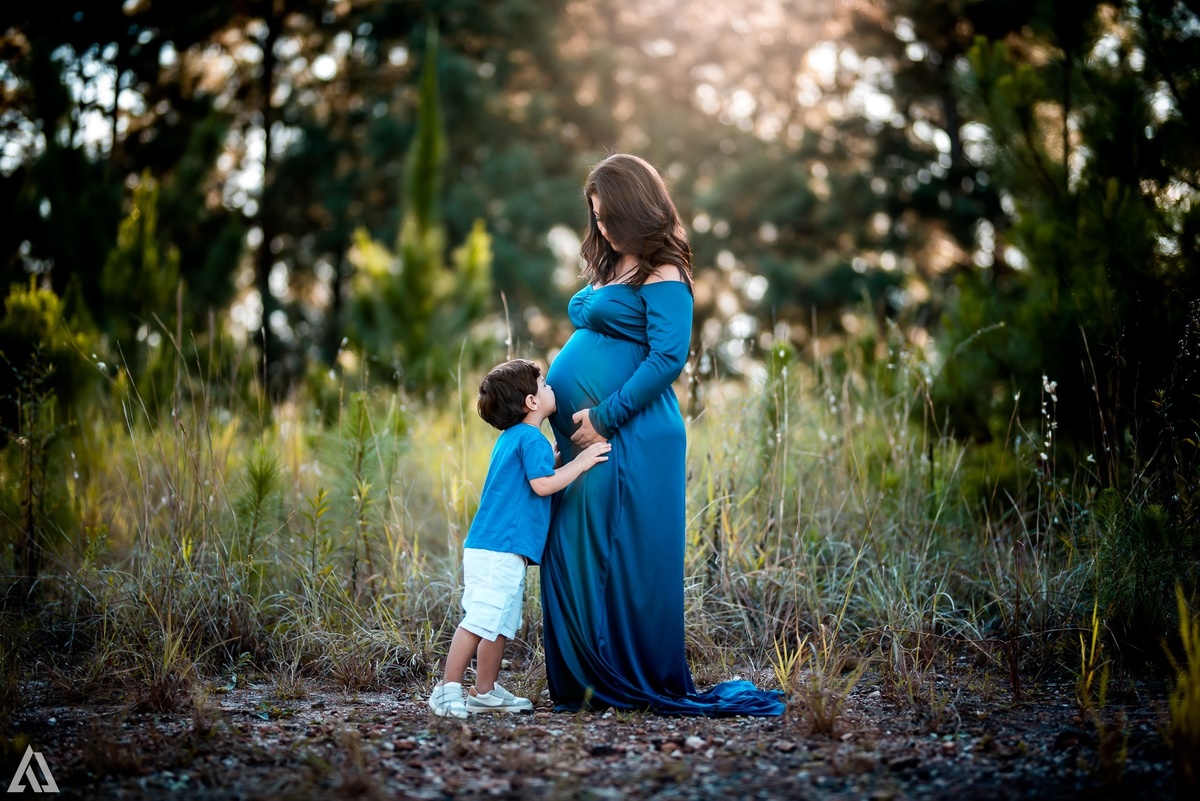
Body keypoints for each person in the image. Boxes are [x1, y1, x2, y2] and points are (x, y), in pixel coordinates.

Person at [541, 153, 784, 715]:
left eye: (608, 215)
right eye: (595, 216)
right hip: (592, 437)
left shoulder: (665, 271)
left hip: (634, 434)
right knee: (573, 544)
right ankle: (584, 678)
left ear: (634, 208)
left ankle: (622, 675)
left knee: (625, 555)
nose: (600, 226)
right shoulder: (614, 263)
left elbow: (668, 358)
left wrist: (604, 416)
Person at [428, 358, 612, 718]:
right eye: (544, 385)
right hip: (499, 548)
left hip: (495, 547)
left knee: (499, 623)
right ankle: (445, 690)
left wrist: (557, 460)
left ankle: (484, 692)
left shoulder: (513, 438)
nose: (550, 388)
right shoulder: (531, 439)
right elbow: (542, 485)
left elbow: (531, 477)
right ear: (531, 401)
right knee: (481, 619)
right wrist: (582, 462)